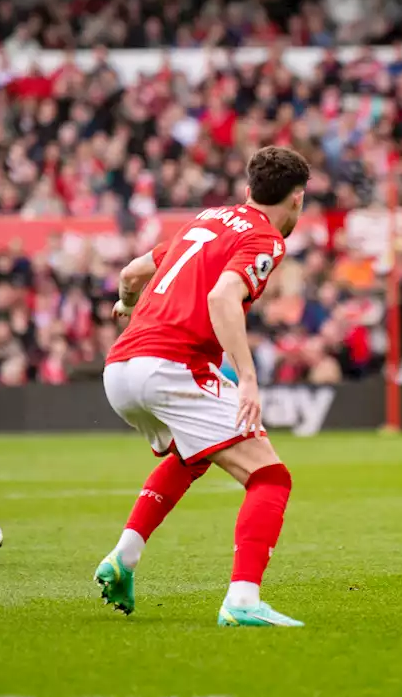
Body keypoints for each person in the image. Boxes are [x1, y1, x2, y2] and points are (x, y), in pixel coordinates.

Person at [94, 146, 310, 627]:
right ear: (297, 199)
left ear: (248, 189)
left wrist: (126, 305)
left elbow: (131, 273)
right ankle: (243, 600)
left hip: (121, 368)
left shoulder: (207, 218)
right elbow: (222, 297)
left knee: (192, 456)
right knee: (270, 476)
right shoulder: (266, 239)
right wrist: (248, 379)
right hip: (173, 366)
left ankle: (123, 558)